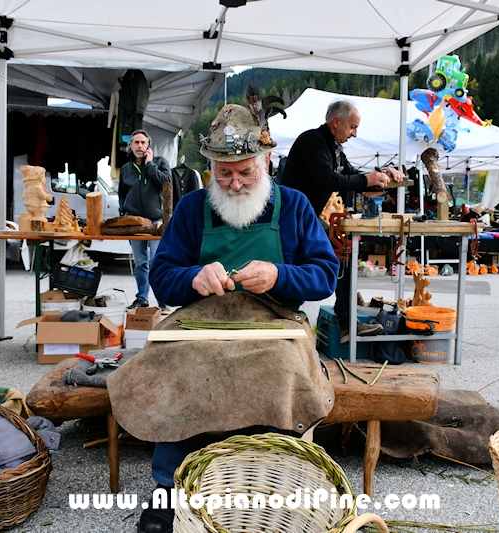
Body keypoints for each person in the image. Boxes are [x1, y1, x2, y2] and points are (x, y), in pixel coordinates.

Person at [108, 103, 339, 533]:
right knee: (171, 362)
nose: (234, 183)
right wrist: (193, 277)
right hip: (201, 324)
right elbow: (162, 275)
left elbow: (325, 273)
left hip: (274, 324)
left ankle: (278, 481)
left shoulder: (294, 206)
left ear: (266, 160)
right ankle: (167, 491)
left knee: (281, 366)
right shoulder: (194, 208)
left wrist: (279, 274)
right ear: (209, 166)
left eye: (246, 172)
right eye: (223, 173)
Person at [280, 100, 404, 341]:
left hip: (306, 217)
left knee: (343, 253)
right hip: (289, 218)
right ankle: (333, 320)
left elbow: (354, 176)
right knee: (318, 261)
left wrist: (383, 174)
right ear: (336, 122)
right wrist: (368, 180)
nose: (355, 133)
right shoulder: (312, 141)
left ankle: (346, 322)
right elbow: (328, 180)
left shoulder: (334, 148)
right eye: (352, 127)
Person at [118, 129, 171, 310]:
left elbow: (166, 183)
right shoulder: (126, 170)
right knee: (140, 263)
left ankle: (162, 299)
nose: (139, 146)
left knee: (156, 261)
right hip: (134, 223)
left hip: (157, 222)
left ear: (148, 145)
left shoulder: (160, 162)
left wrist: (150, 165)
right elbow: (121, 194)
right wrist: (123, 212)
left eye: (143, 142)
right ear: (130, 146)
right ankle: (142, 298)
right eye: (136, 143)